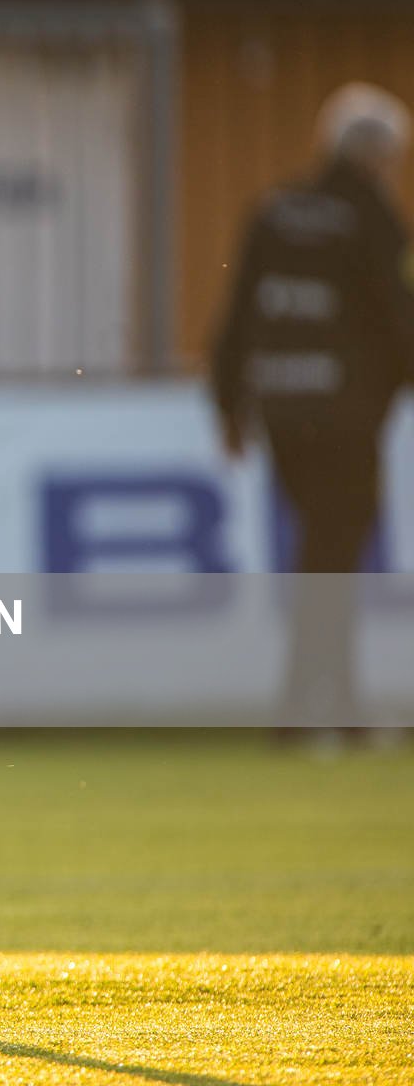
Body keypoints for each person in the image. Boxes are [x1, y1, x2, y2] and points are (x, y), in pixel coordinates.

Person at [211, 81, 414, 733]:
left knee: (320, 555)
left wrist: (228, 408)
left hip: (282, 414)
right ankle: (311, 710)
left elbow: (238, 316)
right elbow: (399, 320)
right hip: (348, 416)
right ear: (376, 157)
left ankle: (328, 704)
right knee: (334, 557)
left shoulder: (271, 212)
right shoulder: (376, 221)